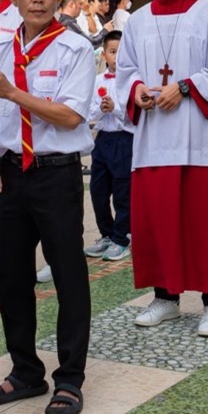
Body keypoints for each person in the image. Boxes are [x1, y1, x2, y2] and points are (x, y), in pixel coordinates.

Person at [116, 0, 208, 337]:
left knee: (204, 224)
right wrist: (137, 91)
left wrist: (184, 88)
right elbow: (125, 71)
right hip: (153, 141)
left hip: (199, 140)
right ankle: (165, 297)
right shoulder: (136, 21)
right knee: (158, 222)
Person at [0, 0, 94, 414]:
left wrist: (14, 93)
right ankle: (25, 370)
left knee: (69, 274)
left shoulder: (75, 49)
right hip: (8, 173)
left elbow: (70, 115)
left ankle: (70, 378)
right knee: (11, 277)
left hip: (55, 173)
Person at [86, 30, 133, 262]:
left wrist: (114, 107)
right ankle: (106, 233)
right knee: (98, 190)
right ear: (104, 54)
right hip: (102, 139)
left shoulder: (133, 81)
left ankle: (122, 237)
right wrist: (101, 108)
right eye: (113, 52)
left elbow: (133, 115)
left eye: (121, 52)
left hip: (124, 139)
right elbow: (88, 112)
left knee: (123, 191)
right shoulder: (96, 81)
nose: (117, 57)